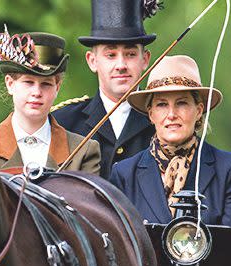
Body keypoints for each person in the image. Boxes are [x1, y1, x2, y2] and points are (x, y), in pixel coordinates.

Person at [109, 55, 231, 266]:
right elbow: (120, 253)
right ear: (151, 114)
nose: (172, 114)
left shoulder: (230, 169)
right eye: (162, 105)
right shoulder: (123, 173)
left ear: (199, 110)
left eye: (182, 103)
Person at [52, 0, 161, 179]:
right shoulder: (62, 123)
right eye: (111, 55)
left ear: (145, 59)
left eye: (130, 54)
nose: (121, 65)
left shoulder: (164, 123)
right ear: (92, 61)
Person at [0, 28, 100, 174]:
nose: (36, 93)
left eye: (46, 84)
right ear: (10, 84)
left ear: (57, 87)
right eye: (28, 82)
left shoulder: (83, 151)